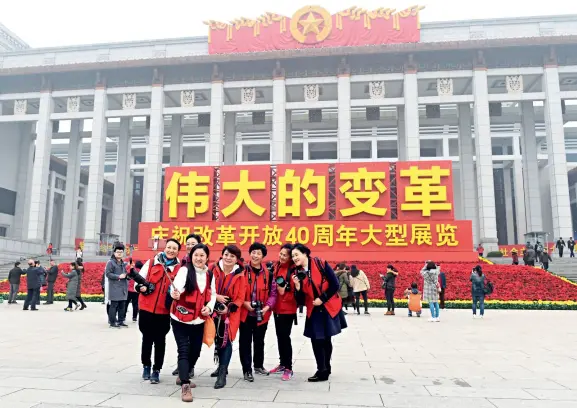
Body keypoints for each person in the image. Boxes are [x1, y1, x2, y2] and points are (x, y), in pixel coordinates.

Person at [292, 243, 347, 382]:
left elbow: (335, 284)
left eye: (296, 254)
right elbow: (300, 300)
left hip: (328, 305)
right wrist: (297, 287)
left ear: (305, 253)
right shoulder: (297, 273)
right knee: (316, 340)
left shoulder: (320, 263)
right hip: (314, 309)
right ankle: (321, 369)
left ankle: (325, 369)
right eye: (292, 256)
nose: (294, 258)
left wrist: (322, 299)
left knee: (326, 339)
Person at [171, 243, 216, 402]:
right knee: (183, 349)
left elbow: (213, 296)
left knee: (195, 351)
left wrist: (209, 308)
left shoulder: (210, 274)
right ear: (191, 257)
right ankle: (185, 384)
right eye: (196, 255)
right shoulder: (184, 271)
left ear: (207, 258)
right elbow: (176, 289)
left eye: (202, 255)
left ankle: (184, 373)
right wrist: (175, 294)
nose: (199, 258)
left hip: (198, 320)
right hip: (180, 318)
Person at [136, 238, 182, 384]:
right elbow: (139, 281)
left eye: (174, 248)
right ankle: (146, 366)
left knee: (160, 341)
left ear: (178, 251)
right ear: (165, 248)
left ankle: (156, 370)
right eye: (169, 247)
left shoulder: (179, 269)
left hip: (164, 311)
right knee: (147, 339)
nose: (171, 250)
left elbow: (180, 289)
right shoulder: (151, 262)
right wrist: (141, 288)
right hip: (146, 308)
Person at [209, 245, 246, 389]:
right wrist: (216, 297)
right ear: (222, 255)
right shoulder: (212, 268)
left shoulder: (240, 274)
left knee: (227, 340)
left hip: (230, 313)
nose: (228, 258)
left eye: (232, 256)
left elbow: (240, 297)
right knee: (216, 339)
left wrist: (228, 308)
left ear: (236, 259)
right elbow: (205, 287)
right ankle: (219, 367)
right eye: (226, 255)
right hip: (211, 310)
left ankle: (222, 374)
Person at [239, 242, 277, 382]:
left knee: (260, 341)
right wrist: (244, 303)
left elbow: (273, 294)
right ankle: (247, 370)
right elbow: (236, 291)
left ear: (263, 256)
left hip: (262, 314)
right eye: (253, 252)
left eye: (258, 253)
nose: (255, 255)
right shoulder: (241, 271)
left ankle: (258, 366)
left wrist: (267, 307)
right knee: (245, 342)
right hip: (245, 314)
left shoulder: (269, 274)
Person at [172, 233, 202, 377]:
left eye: (193, 243)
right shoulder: (181, 264)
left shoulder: (204, 268)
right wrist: (175, 293)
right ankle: (184, 368)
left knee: (195, 345)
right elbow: (175, 285)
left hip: (197, 312)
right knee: (183, 344)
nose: (190, 246)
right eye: (188, 243)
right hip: (180, 308)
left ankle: (189, 366)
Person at [269, 243, 297, 381]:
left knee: (285, 337)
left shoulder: (293, 270)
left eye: (285, 255)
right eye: (281, 253)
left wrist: (284, 290)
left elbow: (296, 291)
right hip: (277, 308)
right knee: (280, 336)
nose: (281, 256)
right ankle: (282, 363)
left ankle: (289, 368)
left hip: (288, 308)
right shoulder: (277, 266)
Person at [105, 244, 129, 328]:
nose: (119, 253)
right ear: (114, 253)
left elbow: (127, 273)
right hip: (114, 287)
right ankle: (112, 322)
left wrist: (128, 276)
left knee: (122, 305)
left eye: (121, 252)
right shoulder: (111, 263)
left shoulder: (124, 263)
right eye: (118, 252)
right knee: (114, 305)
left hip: (123, 287)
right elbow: (108, 274)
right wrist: (118, 276)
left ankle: (121, 321)